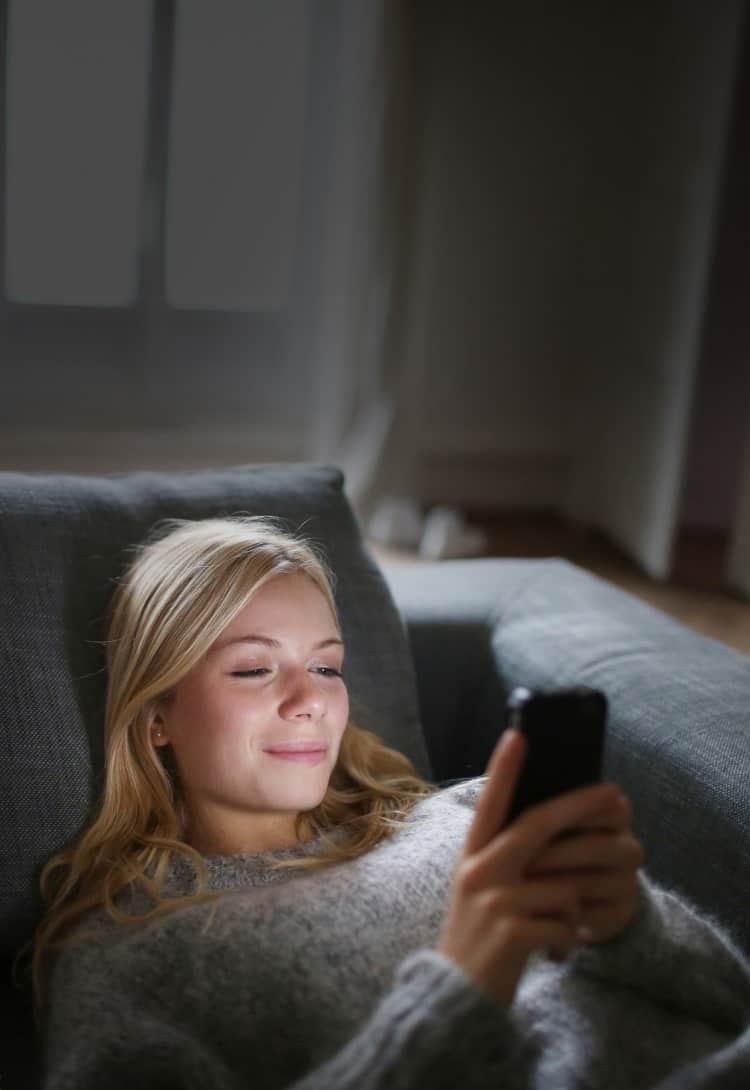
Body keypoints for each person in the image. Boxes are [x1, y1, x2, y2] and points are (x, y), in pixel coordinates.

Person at [24, 515, 750, 1089]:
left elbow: (727, 997)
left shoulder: (467, 815)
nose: (310, 699)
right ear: (157, 716)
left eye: (326, 665)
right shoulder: (129, 955)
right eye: (252, 667)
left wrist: (632, 924)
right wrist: (458, 993)